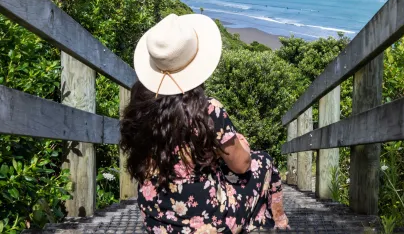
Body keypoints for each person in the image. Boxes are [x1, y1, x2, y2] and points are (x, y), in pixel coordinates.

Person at [120, 13, 290, 233]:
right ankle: (280, 224)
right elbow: (241, 165)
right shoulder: (207, 110)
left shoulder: (140, 106)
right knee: (263, 162)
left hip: (155, 219)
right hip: (205, 222)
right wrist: (240, 143)